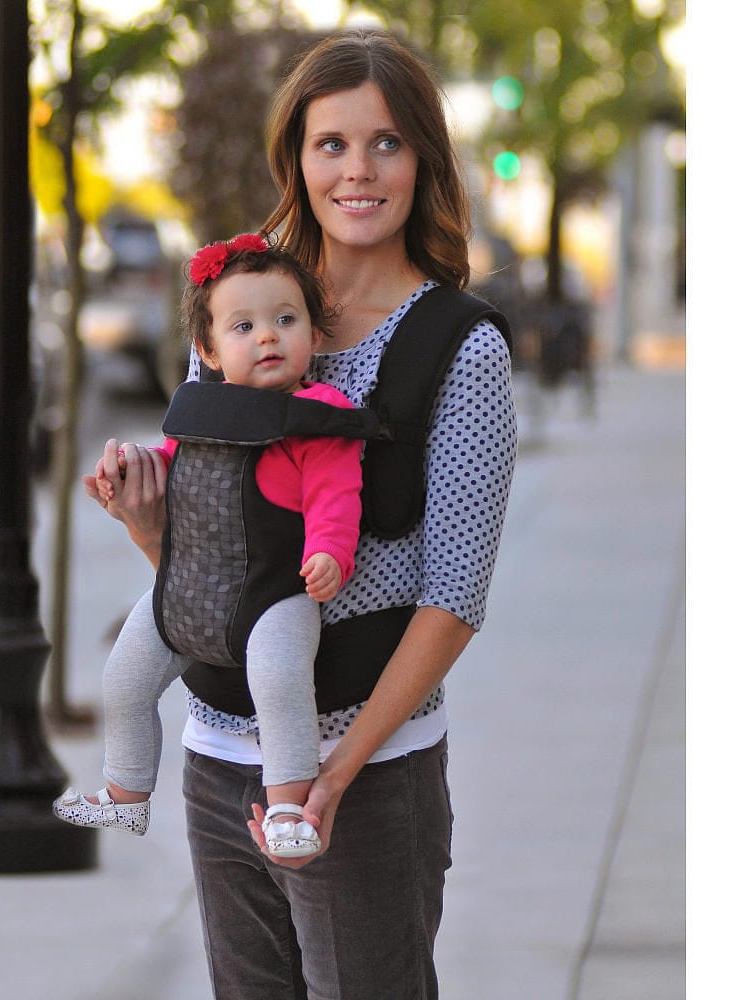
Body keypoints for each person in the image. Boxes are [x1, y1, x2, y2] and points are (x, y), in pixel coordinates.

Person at [85, 27, 518, 1000]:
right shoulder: (241, 306)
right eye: (332, 144)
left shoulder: (462, 349)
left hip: (370, 771)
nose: (357, 170)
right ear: (297, 158)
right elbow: (209, 557)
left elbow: (453, 601)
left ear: (422, 160)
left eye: (386, 142)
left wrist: (332, 777)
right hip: (217, 752)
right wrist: (145, 519)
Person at [55, 233, 370, 858]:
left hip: (274, 595)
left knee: (280, 682)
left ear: (314, 334)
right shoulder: (202, 410)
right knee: (125, 676)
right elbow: (175, 465)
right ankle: (125, 794)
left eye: (286, 320)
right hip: (188, 589)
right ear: (209, 350)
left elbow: (337, 495)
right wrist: (130, 472)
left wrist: (331, 552)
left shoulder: (315, 417)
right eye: (244, 326)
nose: (268, 337)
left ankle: (289, 809)